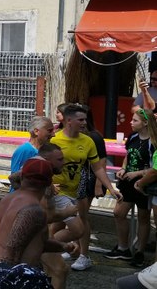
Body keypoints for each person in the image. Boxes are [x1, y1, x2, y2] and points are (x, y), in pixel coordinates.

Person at [50, 103, 122, 271]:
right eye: (80, 119)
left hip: (77, 189)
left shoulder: (88, 141)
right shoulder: (55, 140)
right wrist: (48, 184)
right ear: (68, 120)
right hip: (58, 191)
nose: (84, 122)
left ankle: (49, 246)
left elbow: (98, 167)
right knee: (76, 228)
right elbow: (43, 163)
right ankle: (46, 245)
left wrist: (111, 189)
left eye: (85, 119)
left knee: (76, 225)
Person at [0, 159, 65, 289]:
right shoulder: (33, 211)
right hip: (1, 277)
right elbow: (11, 251)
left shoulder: (9, 199)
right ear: (49, 183)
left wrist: (64, 246)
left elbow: (36, 242)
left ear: (22, 177)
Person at [106, 108, 156, 267]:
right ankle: (123, 247)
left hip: (144, 184)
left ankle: (140, 251)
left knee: (143, 217)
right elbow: (128, 155)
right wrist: (122, 168)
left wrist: (137, 174)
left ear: (145, 123)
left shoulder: (153, 142)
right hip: (128, 182)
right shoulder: (133, 136)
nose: (130, 122)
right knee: (118, 213)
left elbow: (155, 168)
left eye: (135, 120)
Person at [10, 116, 55, 188]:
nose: (53, 134)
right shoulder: (25, 150)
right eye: (49, 131)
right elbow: (15, 180)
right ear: (36, 131)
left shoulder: (44, 150)